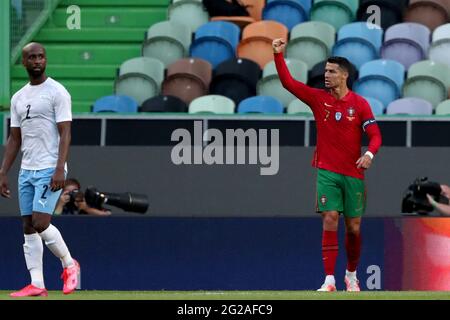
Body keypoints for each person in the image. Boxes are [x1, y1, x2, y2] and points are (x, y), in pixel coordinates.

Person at [272, 38, 382, 291]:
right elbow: (289, 83)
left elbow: (376, 135)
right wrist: (278, 55)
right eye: (325, 71)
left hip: (353, 173)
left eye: (332, 71)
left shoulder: (360, 104)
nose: (327, 75)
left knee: (353, 229)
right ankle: (329, 279)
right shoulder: (318, 99)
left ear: (344, 76)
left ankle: (351, 275)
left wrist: (369, 154)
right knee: (330, 218)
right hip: (327, 170)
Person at [0, 42, 80, 297]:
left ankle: (70, 264)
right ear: (24, 62)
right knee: (27, 226)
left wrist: (59, 168)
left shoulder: (57, 92)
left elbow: (65, 131)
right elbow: (14, 138)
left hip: (49, 167)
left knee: (41, 221)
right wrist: (3, 171)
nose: (37, 61)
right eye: (32, 57)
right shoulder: (18, 97)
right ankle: (37, 284)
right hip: (27, 169)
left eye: (41, 56)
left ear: (45, 60)